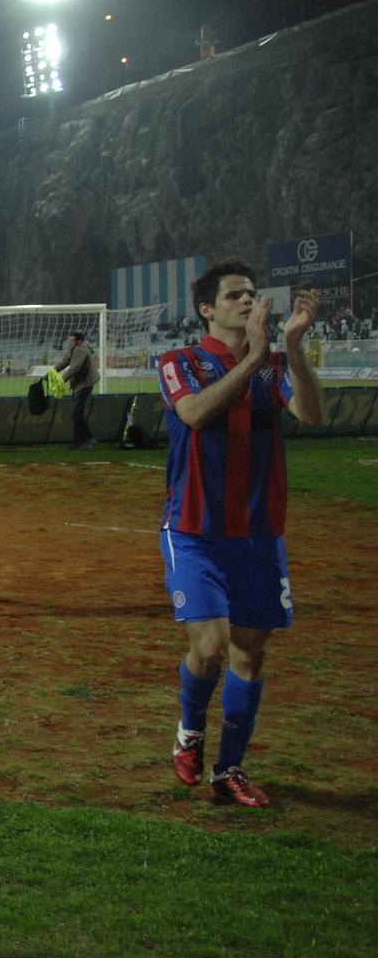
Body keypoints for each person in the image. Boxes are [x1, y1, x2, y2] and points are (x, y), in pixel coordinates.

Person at [161, 260, 322, 808]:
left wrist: (292, 347)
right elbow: (197, 414)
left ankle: (229, 770)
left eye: (253, 294)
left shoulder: (273, 367)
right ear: (207, 308)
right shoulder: (179, 362)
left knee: (249, 653)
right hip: (195, 529)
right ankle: (189, 731)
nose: (249, 301)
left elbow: (313, 412)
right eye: (236, 295)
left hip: (258, 533)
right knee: (208, 650)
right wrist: (255, 357)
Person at [54, 330, 98, 448]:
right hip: (81, 384)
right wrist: (52, 372)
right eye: (70, 341)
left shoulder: (80, 350)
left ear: (79, 341)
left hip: (85, 384)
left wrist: (61, 380)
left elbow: (74, 368)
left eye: (72, 341)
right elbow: (65, 361)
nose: (70, 343)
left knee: (76, 414)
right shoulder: (75, 349)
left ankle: (89, 438)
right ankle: (79, 442)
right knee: (77, 414)